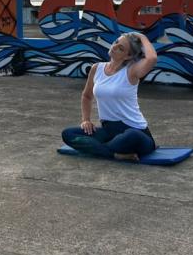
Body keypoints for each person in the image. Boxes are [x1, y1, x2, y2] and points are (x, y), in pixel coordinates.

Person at [61, 32, 159, 161]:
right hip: (109, 131)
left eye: (121, 48)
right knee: (68, 134)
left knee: (131, 135)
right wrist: (86, 119)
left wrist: (142, 36)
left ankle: (97, 148)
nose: (114, 46)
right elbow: (86, 96)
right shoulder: (97, 68)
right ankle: (114, 154)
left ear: (128, 56)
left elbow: (151, 58)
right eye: (116, 42)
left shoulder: (131, 71)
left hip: (136, 134)